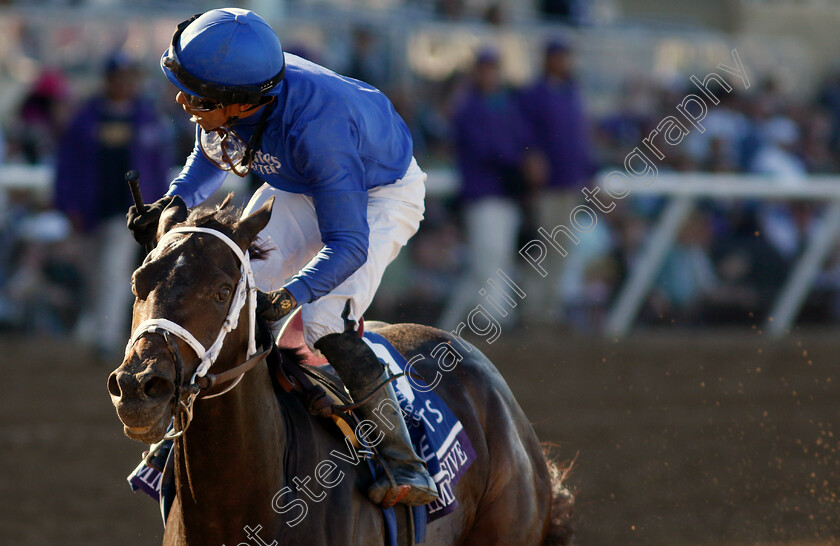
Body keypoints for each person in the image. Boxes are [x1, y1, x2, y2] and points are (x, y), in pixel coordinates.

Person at [126, 8, 435, 507]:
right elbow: (211, 151)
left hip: (379, 196)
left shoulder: (317, 130)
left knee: (320, 319)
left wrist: (289, 295)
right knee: (237, 294)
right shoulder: (243, 86)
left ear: (242, 104)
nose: (183, 100)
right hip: (300, 184)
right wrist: (174, 202)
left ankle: (404, 461)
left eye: (197, 96)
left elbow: (349, 244)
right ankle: (182, 432)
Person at [54, 52, 172, 359]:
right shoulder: (85, 117)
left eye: (130, 77)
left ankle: (106, 339)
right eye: (120, 77)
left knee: (113, 272)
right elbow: (67, 165)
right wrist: (68, 205)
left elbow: (158, 167)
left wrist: (157, 208)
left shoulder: (146, 117)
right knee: (93, 274)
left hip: (127, 212)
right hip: (89, 210)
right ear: (107, 80)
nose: (125, 83)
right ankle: (98, 326)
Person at [437, 47, 538, 331]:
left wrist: (528, 159)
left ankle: (452, 324)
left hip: (505, 194)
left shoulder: (506, 105)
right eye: (484, 69)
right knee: (488, 258)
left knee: (492, 259)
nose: (489, 74)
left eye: (493, 69)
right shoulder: (469, 107)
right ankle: (495, 319)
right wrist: (522, 161)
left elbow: (522, 141)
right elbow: (488, 149)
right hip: (483, 194)